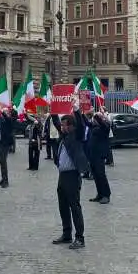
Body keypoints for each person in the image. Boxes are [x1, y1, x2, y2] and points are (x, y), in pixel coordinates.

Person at [52, 101, 89, 250]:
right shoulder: (64, 135)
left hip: (73, 175)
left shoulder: (77, 135)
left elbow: (81, 126)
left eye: (65, 125)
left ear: (72, 126)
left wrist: (77, 111)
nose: (62, 127)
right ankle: (67, 233)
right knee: (63, 206)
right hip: (62, 175)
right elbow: (55, 123)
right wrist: (54, 108)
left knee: (75, 206)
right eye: (62, 125)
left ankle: (80, 238)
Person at [87, 110, 111, 204]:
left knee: (101, 175)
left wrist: (95, 115)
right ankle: (100, 194)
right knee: (96, 176)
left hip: (100, 155)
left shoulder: (105, 126)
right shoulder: (95, 126)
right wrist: (80, 112)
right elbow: (86, 122)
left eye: (96, 119)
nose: (94, 120)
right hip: (93, 155)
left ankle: (106, 195)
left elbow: (102, 123)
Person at [0, 109, 14, 188]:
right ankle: (3, 179)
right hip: (0, 142)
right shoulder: (2, 119)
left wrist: (1, 110)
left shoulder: (9, 120)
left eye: (5, 112)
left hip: (5, 144)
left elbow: (6, 118)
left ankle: (6, 181)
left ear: (7, 113)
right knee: (1, 162)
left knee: (3, 162)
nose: (3, 114)